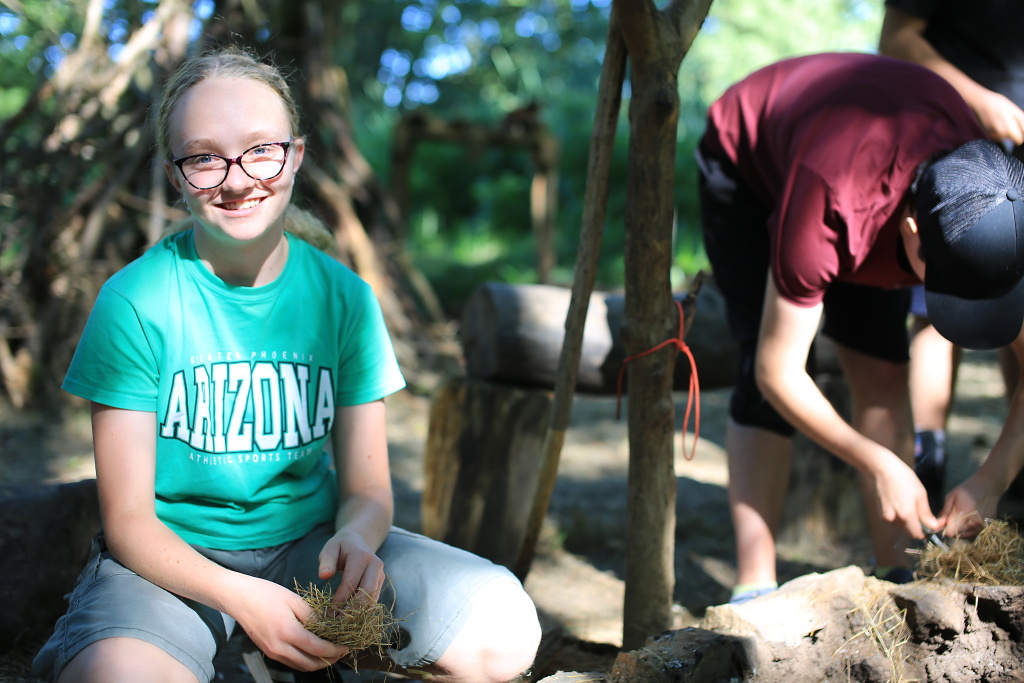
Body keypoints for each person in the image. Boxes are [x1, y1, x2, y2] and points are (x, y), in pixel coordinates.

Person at [32, 47, 541, 683]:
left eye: (260, 150)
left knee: (504, 630)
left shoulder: (345, 299)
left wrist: (355, 537)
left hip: (309, 553)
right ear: (174, 174)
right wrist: (246, 601)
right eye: (204, 157)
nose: (238, 179)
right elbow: (130, 522)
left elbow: (368, 490)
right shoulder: (136, 302)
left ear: (295, 155)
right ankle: (196, 642)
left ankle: (259, 652)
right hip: (171, 564)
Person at [696, 51, 1024, 604]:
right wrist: (874, 461)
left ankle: (897, 582)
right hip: (750, 165)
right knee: (759, 367)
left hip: (868, 166)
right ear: (913, 233)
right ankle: (754, 585)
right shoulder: (829, 207)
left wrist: (992, 478)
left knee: (882, 371)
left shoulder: (996, 197)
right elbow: (781, 372)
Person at [879, 0, 1024, 514]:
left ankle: (1013, 471)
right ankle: (927, 458)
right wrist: (979, 100)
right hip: (961, 153)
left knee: (1013, 302)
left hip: (1017, 174)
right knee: (938, 303)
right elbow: (895, 39)